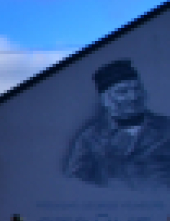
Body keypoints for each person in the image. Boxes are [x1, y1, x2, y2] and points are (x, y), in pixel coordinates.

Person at [64, 59, 170, 189]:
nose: (133, 96)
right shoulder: (90, 138)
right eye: (122, 92)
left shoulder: (166, 128)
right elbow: (73, 184)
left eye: (137, 89)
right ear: (106, 100)